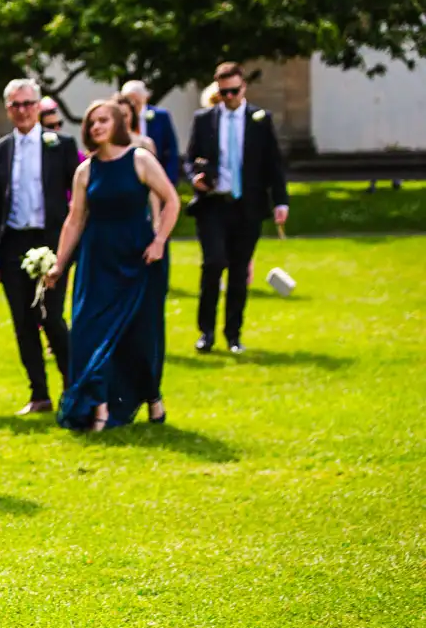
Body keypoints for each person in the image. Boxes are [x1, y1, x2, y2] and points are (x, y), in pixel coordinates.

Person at [46, 98, 181, 430]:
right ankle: (100, 408)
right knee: (88, 333)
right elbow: (74, 221)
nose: (97, 127)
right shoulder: (85, 170)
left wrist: (159, 241)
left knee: (140, 336)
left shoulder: (140, 159)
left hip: (139, 259)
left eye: (103, 120)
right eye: (92, 122)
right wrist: (59, 264)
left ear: (118, 124)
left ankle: (153, 398)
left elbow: (172, 200)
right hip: (97, 262)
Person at [0, 79, 81, 414]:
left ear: (39, 106)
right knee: (23, 321)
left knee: (52, 316)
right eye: (16, 105)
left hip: (51, 239)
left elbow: (79, 197)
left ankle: (73, 386)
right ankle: (39, 393)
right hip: (13, 242)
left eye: (28, 103)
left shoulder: (61, 145)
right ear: (9, 109)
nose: (22, 110)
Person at [185, 62, 290, 354]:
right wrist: (196, 178)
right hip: (214, 204)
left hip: (248, 206)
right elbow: (190, 158)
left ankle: (233, 334)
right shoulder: (205, 119)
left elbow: (273, 164)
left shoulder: (260, 119)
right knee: (214, 263)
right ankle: (206, 332)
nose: (229, 97)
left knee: (239, 271)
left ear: (243, 88)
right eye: (224, 92)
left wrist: (281, 201)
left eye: (234, 91)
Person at [120, 80, 182, 185]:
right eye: (129, 99)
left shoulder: (161, 116)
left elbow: (171, 149)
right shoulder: (121, 117)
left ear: (145, 98)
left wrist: (170, 179)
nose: (133, 103)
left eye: (137, 100)